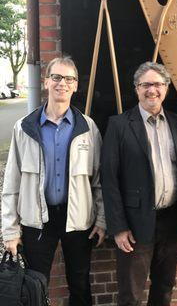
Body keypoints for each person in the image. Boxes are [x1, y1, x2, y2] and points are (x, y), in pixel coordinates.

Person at [2, 56, 106, 306]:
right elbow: (11, 184)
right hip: (37, 220)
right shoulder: (24, 128)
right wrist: (10, 230)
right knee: (35, 284)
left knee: (80, 284)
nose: (62, 83)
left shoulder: (88, 128)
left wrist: (101, 219)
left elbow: (99, 181)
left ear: (76, 85)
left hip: (78, 220)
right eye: (57, 77)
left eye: (69, 79)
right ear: (46, 81)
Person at [101, 61, 177, 306]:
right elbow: (109, 179)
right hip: (135, 224)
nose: (151, 90)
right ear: (136, 89)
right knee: (130, 294)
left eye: (157, 84)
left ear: (166, 88)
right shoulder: (120, 125)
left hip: (172, 222)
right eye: (145, 84)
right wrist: (119, 227)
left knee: (164, 288)